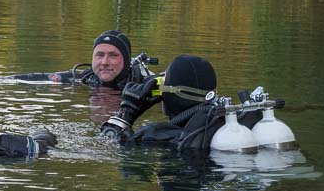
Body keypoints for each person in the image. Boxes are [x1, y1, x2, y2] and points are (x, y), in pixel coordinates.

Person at [99, 54, 263, 150]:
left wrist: (128, 111)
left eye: (163, 85)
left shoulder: (154, 134)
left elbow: (107, 145)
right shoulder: (223, 121)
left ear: (175, 94)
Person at [13, 30, 150, 91]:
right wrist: (0, 80)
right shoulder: (84, 78)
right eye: (99, 55)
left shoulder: (144, 83)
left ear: (126, 60)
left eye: (113, 55)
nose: (104, 62)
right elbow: (39, 77)